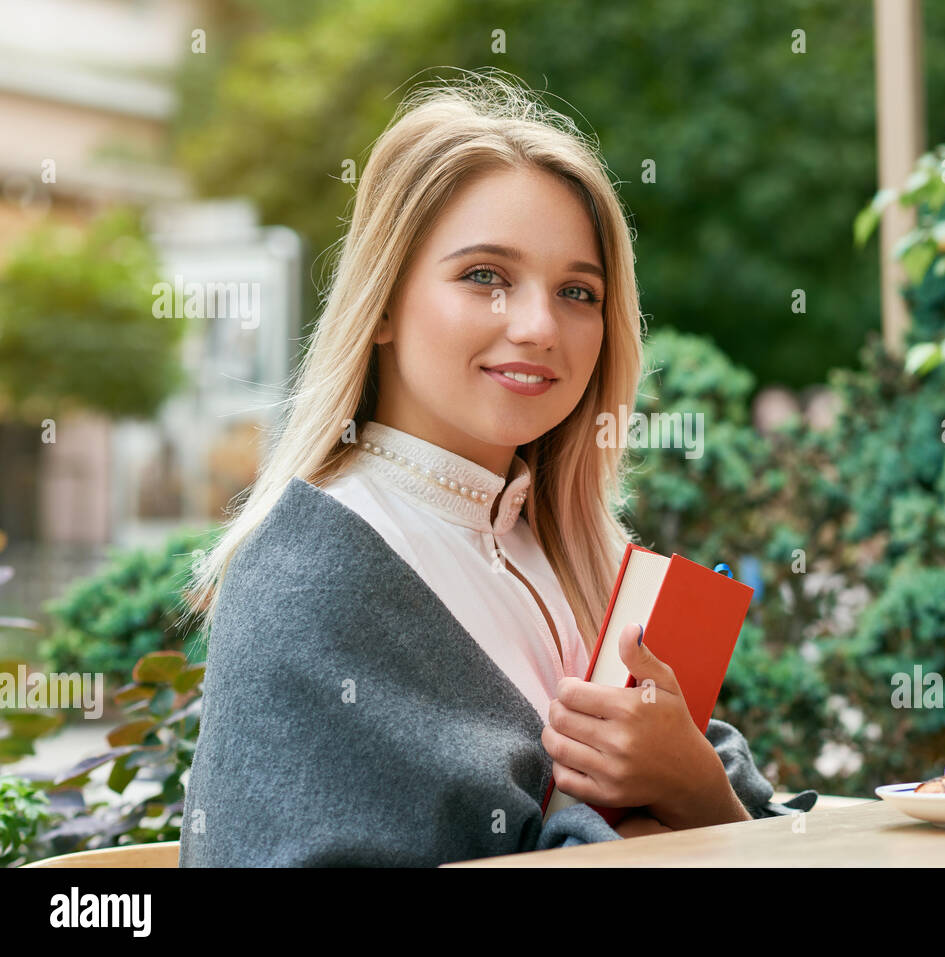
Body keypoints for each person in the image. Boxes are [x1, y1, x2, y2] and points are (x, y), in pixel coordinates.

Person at [180, 71, 815, 866]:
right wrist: (626, 825)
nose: (540, 324)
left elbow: (746, 834)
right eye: (485, 276)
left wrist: (697, 788)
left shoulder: (587, 563)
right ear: (380, 304)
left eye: (578, 291)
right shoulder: (308, 573)